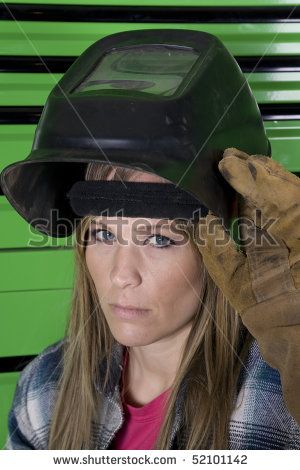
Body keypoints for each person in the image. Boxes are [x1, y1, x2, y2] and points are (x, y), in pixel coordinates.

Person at [1, 29, 300, 450]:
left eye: (160, 239)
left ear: (221, 248)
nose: (122, 275)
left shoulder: (283, 394)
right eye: (104, 233)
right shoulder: (43, 391)